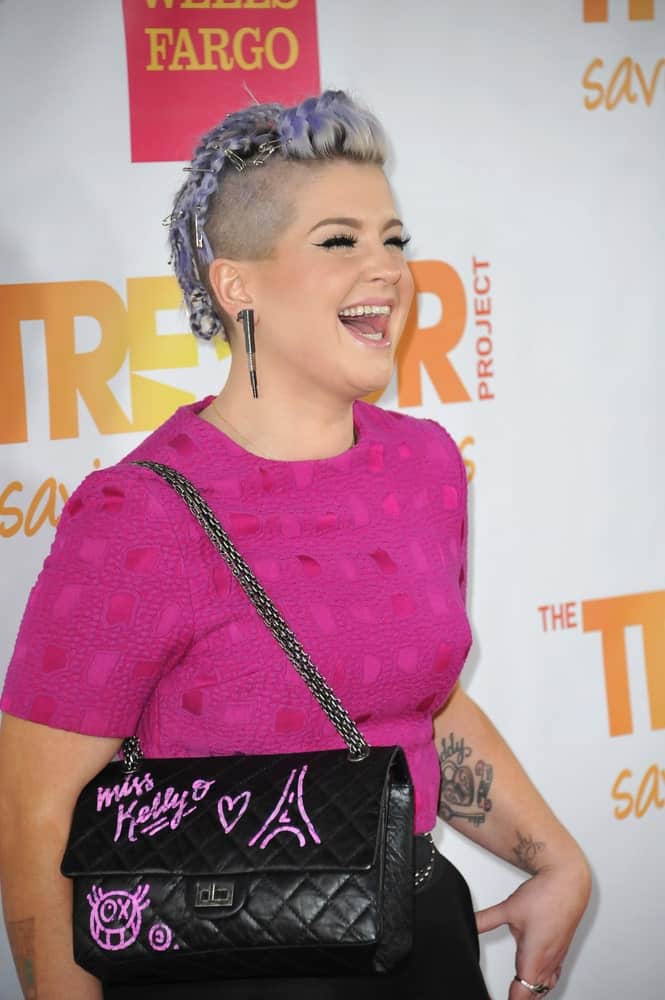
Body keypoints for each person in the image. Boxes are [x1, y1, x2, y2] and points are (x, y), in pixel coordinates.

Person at [0, 90, 590, 1000]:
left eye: (393, 239)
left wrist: (554, 861)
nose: (386, 269)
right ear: (236, 284)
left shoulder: (424, 464)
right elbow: (34, 815)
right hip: (223, 959)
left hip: (418, 931)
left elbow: (414, 700)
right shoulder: (137, 515)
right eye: (338, 241)